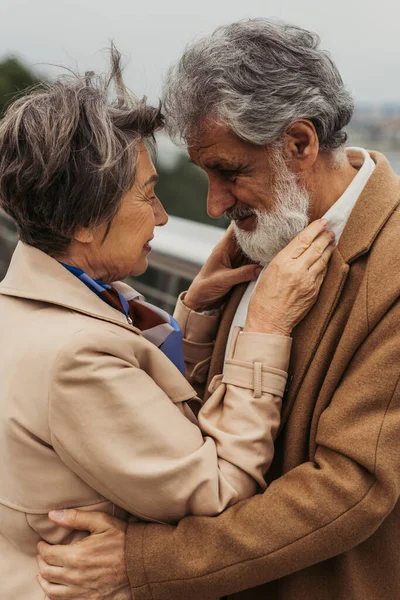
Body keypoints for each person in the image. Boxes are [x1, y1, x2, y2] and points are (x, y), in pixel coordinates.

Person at [36, 18, 400, 600]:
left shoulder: (392, 265)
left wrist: (146, 560)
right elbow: (215, 425)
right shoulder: (264, 229)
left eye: (229, 173)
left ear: (300, 143)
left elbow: (350, 489)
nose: (212, 204)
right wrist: (198, 325)